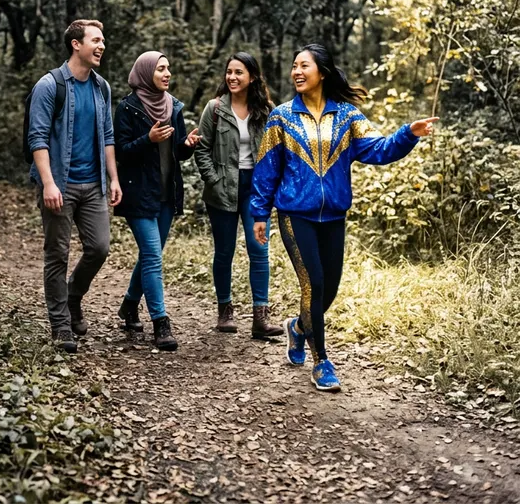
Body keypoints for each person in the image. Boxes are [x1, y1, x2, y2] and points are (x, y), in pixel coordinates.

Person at [250, 44, 438, 392]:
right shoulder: (281, 117)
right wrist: (259, 212)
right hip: (295, 214)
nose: (297, 72)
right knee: (314, 284)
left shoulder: (348, 116)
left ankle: (298, 327)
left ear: (322, 72)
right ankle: (321, 360)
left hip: (334, 215)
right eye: (294, 66)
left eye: (304, 66)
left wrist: (408, 134)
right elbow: (266, 169)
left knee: (329, 289)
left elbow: (378, 150)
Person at [27, 19, 122, 354]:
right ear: (76, 44)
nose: (102, 46)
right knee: (58, 255)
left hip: (93, 184)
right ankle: (61, 325)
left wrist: (113, 177)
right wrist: (49, 184)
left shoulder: (101, 87)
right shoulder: (49, 86)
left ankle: (72, 296)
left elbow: (107, 135)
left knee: (99, 248)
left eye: (103, 40)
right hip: (59, 185)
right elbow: (37, 138)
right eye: (96, 40)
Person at [114, 52, 201, 351]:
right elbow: (120, 151)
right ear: (146, 73)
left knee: (150, 255)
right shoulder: (128, 108)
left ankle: (129, 304)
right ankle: (161, 323)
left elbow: (176, 152)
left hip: (166, 193)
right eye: (161, 69)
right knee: (152, 256)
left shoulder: (172, 106)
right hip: (138, 193)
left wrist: (186, 146)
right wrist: (147, 140)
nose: (167, 74)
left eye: (168, 68)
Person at [194, 53, 283, 339]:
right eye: (229, 72)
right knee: (225, 251)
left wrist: (271, 185)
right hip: (222, 189)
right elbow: (202, 149)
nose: (232, 77)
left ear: (252, 77)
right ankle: (225, 312)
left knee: (259, 250)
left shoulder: (267, 110)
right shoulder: (215, 109)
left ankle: (260, 318)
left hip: (255, 190)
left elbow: (275, 151)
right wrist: (214, 179)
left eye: (239, 72)